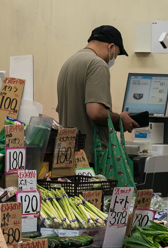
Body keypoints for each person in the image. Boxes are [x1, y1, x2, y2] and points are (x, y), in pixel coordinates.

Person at [57, 25, 139, 159]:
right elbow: (96, 112)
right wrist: (120, 119)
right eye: (116, 55)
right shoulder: (97, 64)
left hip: (67, 155)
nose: (113, 59)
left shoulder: (69, 63)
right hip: (89, 157)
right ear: (111, 47)